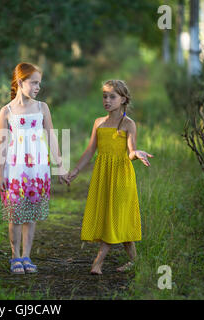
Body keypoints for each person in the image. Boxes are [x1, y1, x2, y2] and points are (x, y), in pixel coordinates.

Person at [66, 80, 153, 275]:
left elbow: (130, 152)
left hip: (121, 176)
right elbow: (90, 150)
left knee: (114, 217)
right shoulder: (99, 122)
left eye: (112, 96)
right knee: (114, 217)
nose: (107, 100)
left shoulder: (129, 124)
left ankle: (98, 262)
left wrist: (137, 154)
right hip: (102, 175)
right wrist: (76, 170)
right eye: (105, 96)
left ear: (123, 99)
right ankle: (136, 262)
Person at [0, 62, 69, 274]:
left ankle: (27, 255)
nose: (38, 87)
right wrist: (0, 174)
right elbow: (2, 144)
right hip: (15, 168)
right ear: (20, 82)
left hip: (37, 168)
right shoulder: (6, 111)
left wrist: (60, 165)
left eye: (40, 83)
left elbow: (51, 136)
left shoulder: (42, 108)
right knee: (16, 214)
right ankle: (15, 256)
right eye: (34, 82)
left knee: (31, 213)